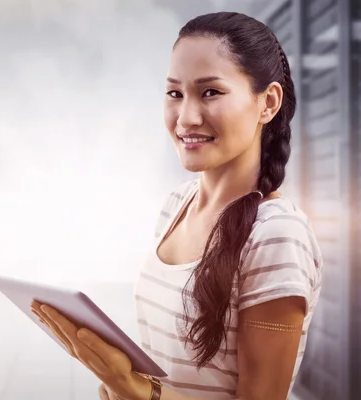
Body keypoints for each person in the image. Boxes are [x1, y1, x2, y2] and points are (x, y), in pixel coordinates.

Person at [31, 11, 323, 400]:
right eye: (175, 93)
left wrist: (134, 389)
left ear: (268, 103)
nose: (186, 118)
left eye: (210, 92)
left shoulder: (276, 236)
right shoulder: (178, 204)